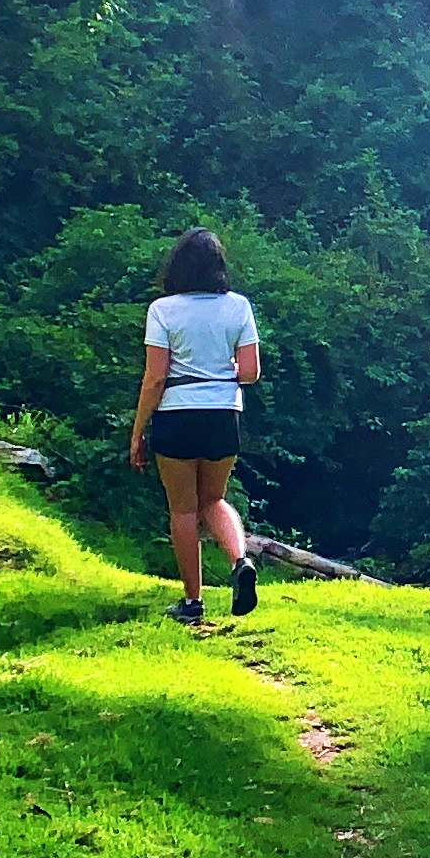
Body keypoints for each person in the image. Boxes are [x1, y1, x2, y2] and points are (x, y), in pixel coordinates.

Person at [129, 227, 262, 623]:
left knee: (183, 509)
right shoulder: (238, 306)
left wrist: (137, 431)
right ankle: (240, 561)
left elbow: (155, 378)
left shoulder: (163, 310)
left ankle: (192, 602)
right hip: (223, 413)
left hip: (177, 414)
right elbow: (250, 372)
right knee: (214, 500)